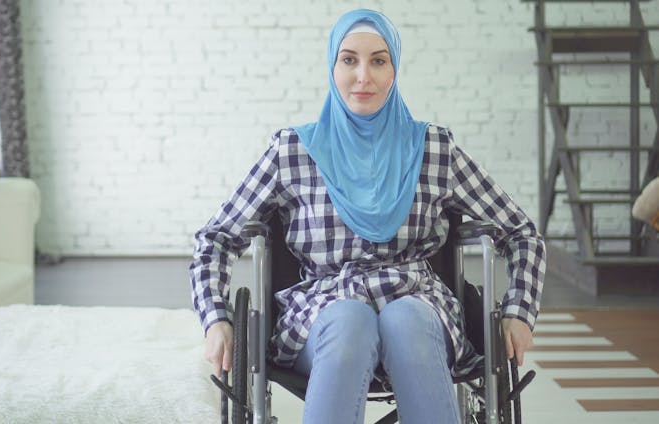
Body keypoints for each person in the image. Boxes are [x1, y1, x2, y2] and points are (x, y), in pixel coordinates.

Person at [190, 9, 545, 424]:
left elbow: (520, 231)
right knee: (349, 317)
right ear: (332, 66)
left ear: (394, 68)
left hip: (420, 306)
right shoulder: (293, 151)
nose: (364, 76)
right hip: (323, 311)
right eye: (349, 60)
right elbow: (214, 238)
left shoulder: (433, 148)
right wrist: (216, 319)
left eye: (378, 60)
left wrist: (519, 311)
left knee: (405, 317)